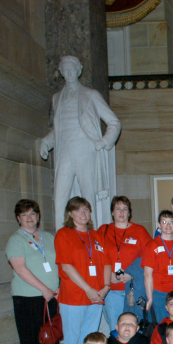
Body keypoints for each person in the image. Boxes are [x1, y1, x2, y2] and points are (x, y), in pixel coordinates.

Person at [39, 56, 121, 227]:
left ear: (79, 71)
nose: (69, 73)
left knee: (88, 198)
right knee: (60, 198)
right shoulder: (57, 98)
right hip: (64, 153)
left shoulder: (91, 95)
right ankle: (61, 238)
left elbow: (114, 122)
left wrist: (103, 142)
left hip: (85, 151)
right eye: (65, 70)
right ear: (61, 72)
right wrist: (46, 142)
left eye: (72, 69)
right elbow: (59, 130)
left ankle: (92, 237)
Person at [6, 199, 61, 344]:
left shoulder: (49, 237)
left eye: (32, 214)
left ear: (38, 216)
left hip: (51, 297)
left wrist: (59, 286)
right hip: (28, 298)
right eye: (24, 215)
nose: (29, 218)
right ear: (18, 218)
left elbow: (61, 262)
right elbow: (20, 269)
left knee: (51, 336)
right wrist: (43, 289)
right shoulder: (16, 240)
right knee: (32, 339)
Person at [55, 197, 111, 344]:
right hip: (74, 296)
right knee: (72, 337)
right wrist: (88, 289)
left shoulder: (95, 235)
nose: (83, 213)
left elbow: (107, 263)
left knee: (87, 338)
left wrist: (106, 287)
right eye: (78, 210)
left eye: (86, 209)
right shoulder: (64, 234)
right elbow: (66, 266)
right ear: (70, 213)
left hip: (96, 296)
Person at [100, 196, 151, 329]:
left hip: (133, 287)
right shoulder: (103, 231)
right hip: (112, 290)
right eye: (118, 209)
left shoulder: (139, 231)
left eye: (125, 209)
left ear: (129, 212)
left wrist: (131, 274)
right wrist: (108, 276)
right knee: (116, 327)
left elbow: (150, 257)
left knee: (133, 327)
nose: (121, 212)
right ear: (112, 212)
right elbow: (95, 257)